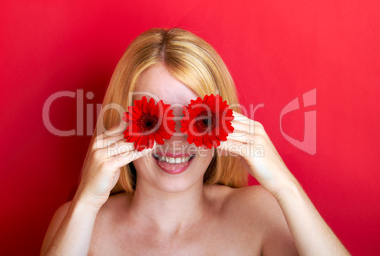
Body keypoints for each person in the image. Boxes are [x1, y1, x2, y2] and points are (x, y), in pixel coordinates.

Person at [40, 27, 350, 255]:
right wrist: (86, 203)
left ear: (225, 127)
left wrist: (286, 187)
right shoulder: (82, 221)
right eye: (152, 120)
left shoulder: (259, 214)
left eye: (198, 119)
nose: (175, 140)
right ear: (120, 125)